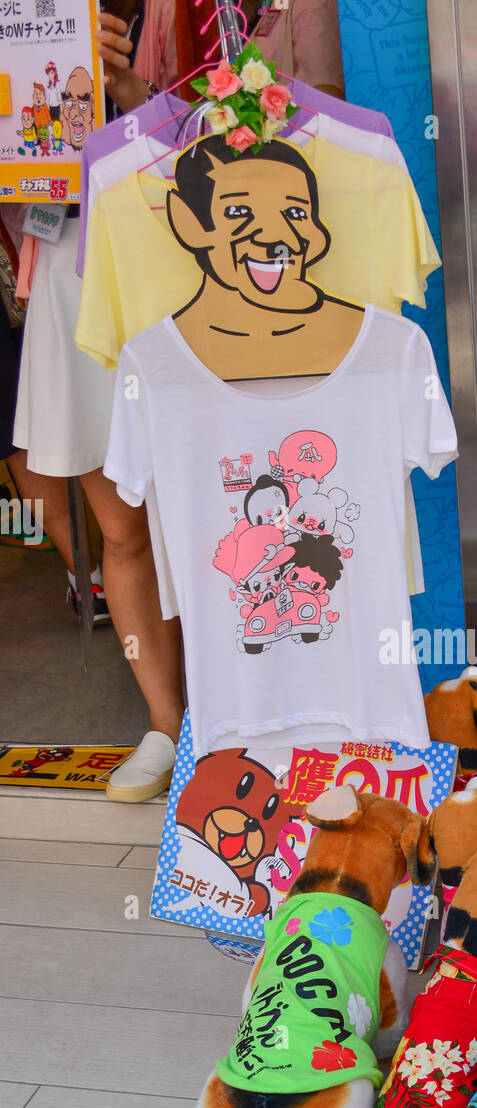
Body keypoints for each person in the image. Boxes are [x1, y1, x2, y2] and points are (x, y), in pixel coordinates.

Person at [12, 0, 344, 801]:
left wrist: (132, 92)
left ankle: (258, 719)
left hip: (202, 273)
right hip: (71, 253)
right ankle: (170, 724)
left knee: (228, 507)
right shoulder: (42, 13)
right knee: (119, 522)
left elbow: (304, 129)